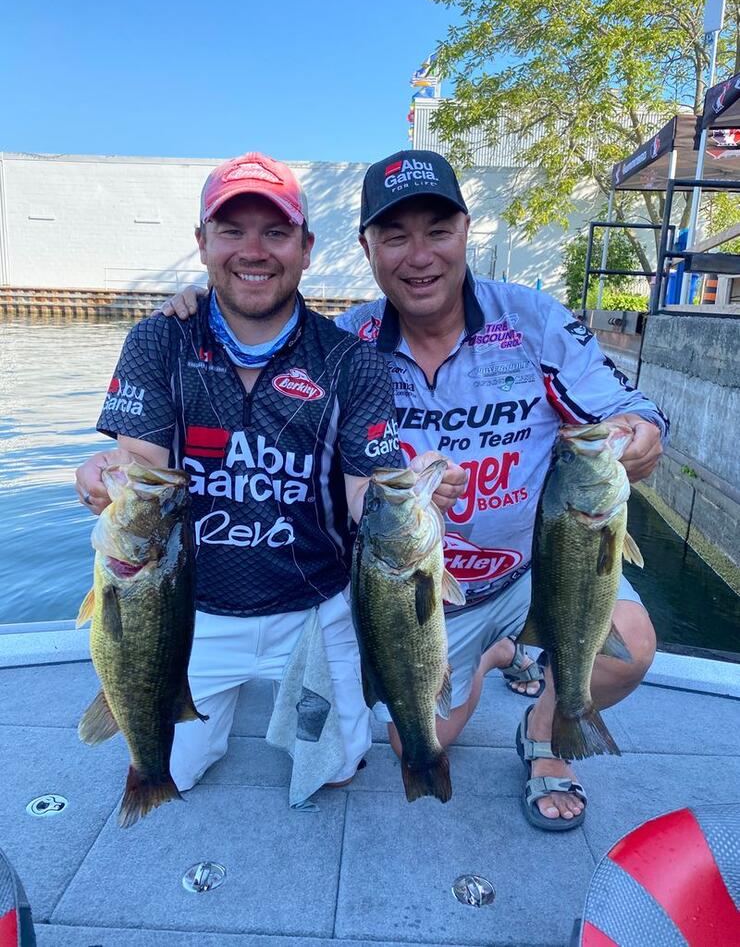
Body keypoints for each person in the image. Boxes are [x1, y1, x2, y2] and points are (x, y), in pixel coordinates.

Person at [155, 149, 668, 831]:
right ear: (366, 247)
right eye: (394, 235)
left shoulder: (537, 322)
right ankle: (496, 651)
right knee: (409, 739)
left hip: (536, 570)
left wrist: (635, 433)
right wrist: (194, 315)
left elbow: (630, 412)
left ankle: (545, 733)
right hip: (416, 590)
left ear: (466, 232)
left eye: (437, 230)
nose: (418, 255)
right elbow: (257, 368)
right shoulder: (346, 345)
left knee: (630, 644)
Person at [74, 151, 412, 800]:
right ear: (201, 242)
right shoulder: (158, 341)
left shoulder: (353, 361)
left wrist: (405, 491)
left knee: (335, 769)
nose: (253, 249)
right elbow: (139, 466)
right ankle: (200, 714)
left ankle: (306, 709)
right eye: (232, 229)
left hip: (313, 608)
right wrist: (100, 476)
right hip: (191, 606)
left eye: (276, 231)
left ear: (307, 248)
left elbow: (363, 492)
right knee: (167, 766)